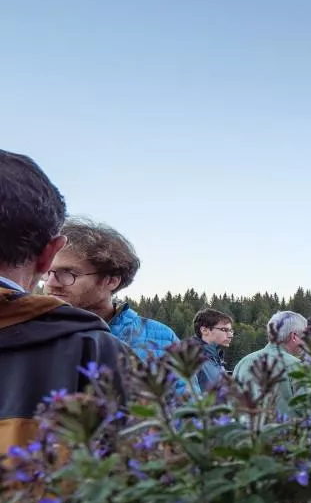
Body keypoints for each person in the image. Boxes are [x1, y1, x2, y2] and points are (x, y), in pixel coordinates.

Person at [0, 150, 127, 452]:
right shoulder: (96, 350)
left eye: (68, 273)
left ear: (112, 281)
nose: (53, 282)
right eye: (54, 273)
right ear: (49, 254)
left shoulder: (101, 343)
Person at [45, 219, 179, 359]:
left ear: (111, 281)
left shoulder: (163, 341)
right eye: (47, 272)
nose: (50, 283)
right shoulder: (34, 330)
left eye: (68, 273)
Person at [233, 311, 306, 417]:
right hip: (286, 427)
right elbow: (309, 411)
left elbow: (233, 404)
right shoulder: (296, 366)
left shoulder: (243, 363)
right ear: (294, 336)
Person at [192, 308, 234, 392]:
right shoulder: (194, 360)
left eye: (231, 331)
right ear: (204, 330)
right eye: (224, 330)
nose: (230, 335)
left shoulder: (215, 358)